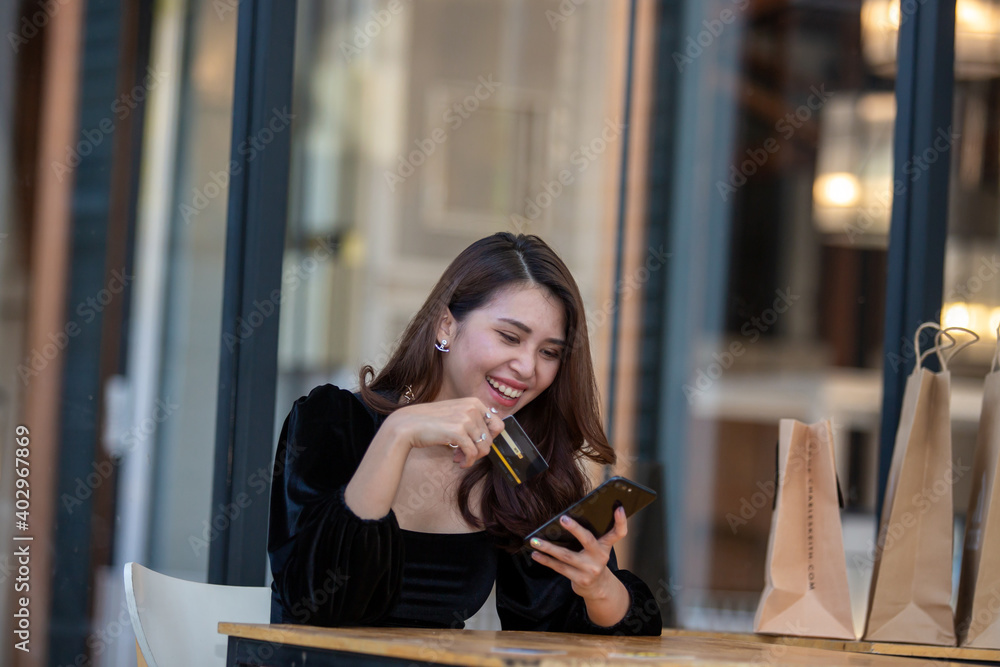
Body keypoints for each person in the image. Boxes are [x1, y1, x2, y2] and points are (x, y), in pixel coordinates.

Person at [267, 232, 662, 635]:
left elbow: (558, 633)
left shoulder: (517, 459)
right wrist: (397, 433)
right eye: (510, 337)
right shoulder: (331, 420)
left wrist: (598, 588)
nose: (527, 367)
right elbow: (313, 602)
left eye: (549, 352)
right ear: (445, 327)